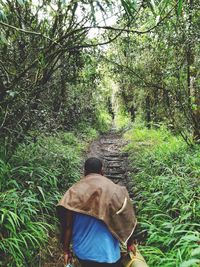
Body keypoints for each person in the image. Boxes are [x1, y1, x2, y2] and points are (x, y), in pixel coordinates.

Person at [57, 157, 137, 267]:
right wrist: (130, 243)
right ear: (102, 171)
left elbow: (68, 226)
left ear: (84, 172)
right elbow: (127, 218)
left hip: (83, 253)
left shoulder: (73, 192)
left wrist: (66, 251)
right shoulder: (116, 190)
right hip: (109, 255)